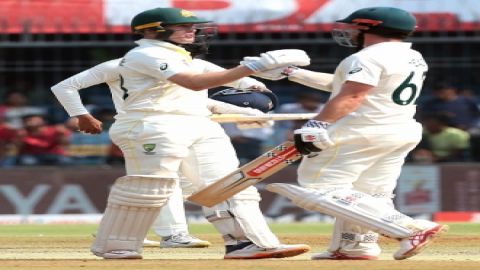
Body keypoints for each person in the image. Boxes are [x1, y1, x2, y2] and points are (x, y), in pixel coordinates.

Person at [51, 7, 311, 259]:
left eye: (193, 26)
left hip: (199, 124)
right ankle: (117, 246)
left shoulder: (185, 58)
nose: (192, 31)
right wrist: (252, 67)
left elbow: (200, 95)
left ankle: (247, 243)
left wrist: (258, 88)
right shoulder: (145, 54)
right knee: (150, 189)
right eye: (183, 27)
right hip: (152, 125)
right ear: (154, 31)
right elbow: (194, 83)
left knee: (229, 184)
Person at [258, 7, 449, 260]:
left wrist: (317, 124)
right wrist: (290, 73)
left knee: (319, 186)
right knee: (370, 192)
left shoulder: (366, 58)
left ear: (368, 27)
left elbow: (354, 95)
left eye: (354, 27)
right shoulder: (412, 56)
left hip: (361, 132)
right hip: (399, 130)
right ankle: (355, 246)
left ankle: (409, 229)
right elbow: (345, 85)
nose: (349, 32)